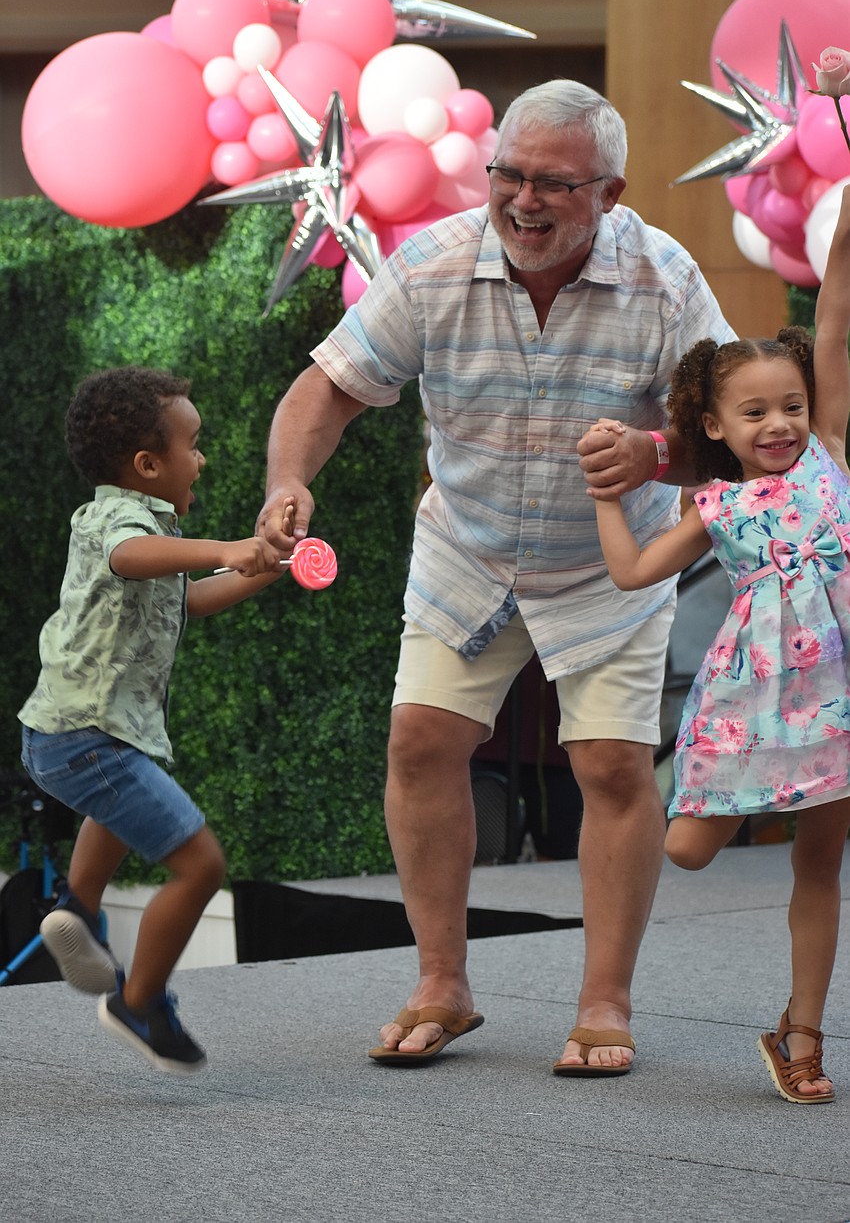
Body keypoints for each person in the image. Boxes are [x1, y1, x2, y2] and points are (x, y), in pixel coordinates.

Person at [257, 79, 734, 1073]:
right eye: (506, 175)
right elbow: (326, 390)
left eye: (552, 184)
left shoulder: (667, 276)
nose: (521, 200)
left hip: (609, 559)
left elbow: (731, 434)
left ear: (610, 192)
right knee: (421, 741)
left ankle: (604, 1001)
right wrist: (287, 483)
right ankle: (442, 983)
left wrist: (657, 454)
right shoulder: (430, 262)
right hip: (467, 548)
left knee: (607, 765)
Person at [589, 184, 850, 1103]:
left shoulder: (829, 454)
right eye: (754, 414)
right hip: (757, 705)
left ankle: (803, 1033)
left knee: (821, 861)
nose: (779, 424)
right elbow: (632, 573)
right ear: (712, 425)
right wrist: (605, 499)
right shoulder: (717, 505)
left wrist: (846, 203)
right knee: (691, 850)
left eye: (790, 406)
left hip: (841, 697)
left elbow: (837, 312)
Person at [19, 366, 287, 1074]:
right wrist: (228, 546)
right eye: (193, 444)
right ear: (147, 464)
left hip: (70, 734)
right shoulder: (119, 520)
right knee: (201, 866)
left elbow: (188, 601)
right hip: (87, 737)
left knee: (119, 794)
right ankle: (140, 1002)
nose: (202, 458)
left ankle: (77, 906)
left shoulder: (147, 527)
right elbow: (131, 556)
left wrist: (263, 568)